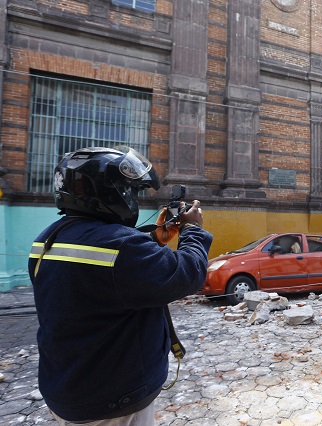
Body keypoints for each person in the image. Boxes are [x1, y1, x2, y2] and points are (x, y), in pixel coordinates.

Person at [28, 146, 213, 425]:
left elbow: (112, 275)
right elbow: (187, 274)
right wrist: (193, 231)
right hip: (114, 398)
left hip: (68, 387)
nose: (132, 199)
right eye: (131, 191)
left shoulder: (49, 237)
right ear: (109, 192)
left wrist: (156, 239)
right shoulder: (122, 246)